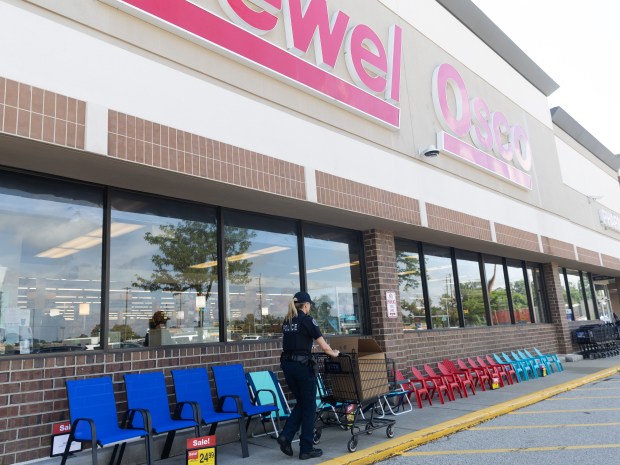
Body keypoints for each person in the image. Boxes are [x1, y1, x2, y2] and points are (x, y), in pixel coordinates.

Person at [277, 291, 340, 460]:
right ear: (305, 305)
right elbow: (323, 346)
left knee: (303, 403)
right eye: (309, 304)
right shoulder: (307, 320)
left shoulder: (287, 321)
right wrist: (334, 353)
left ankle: (286, 436)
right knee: (310, 405)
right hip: (302, 367)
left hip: (288, 366)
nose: (310, 307)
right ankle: (306, 448)